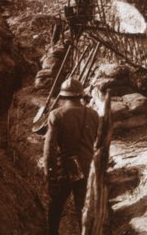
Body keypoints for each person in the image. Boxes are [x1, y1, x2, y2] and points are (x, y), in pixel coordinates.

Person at [43, 77, 99, 235]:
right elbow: (97, 142)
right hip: (87, 169)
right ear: (81, 95)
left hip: (65, 170)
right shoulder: (93, 114)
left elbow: (49, 149)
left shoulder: (56, 115)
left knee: (56, 205)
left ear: (63, 96)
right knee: (83, 206)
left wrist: (49, 174)